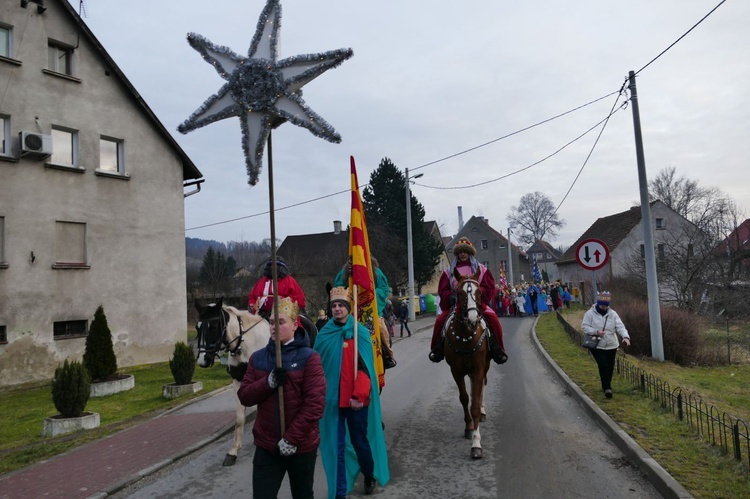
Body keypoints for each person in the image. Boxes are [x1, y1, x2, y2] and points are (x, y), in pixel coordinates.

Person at [237, 297, 326, 498]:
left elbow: (315, 404)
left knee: (303, 495)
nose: (274, 327)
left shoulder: (310, 358)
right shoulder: (258, 358)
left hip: (301, 446)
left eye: (281, 322)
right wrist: (267, 383)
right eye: (271, 322)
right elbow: (244, 396)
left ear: (295, 325)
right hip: (267, 447)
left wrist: (291, 439)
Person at [314, 287, 390, 498]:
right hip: (332, 401)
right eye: (334, 306)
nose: (337, 309)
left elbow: (366, 369)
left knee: (360, 442)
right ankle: (339, 491)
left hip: (356, 401)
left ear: (348, 308)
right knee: (335, 446)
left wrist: (358, 396)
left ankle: (368, 474)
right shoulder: (324, 334)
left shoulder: (360, 332)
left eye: (341, 306)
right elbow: (318, 367)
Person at [429, 237, 508, 364]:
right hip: (456, 305)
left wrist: (477, 293)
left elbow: (489, 286)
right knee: (439, 321)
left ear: (470, 253)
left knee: (493, 319)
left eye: (465, 251)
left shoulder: (481, 269)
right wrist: (450, 296)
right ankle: (437, 349)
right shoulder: (449, 272)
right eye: (460, 252)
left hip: (477, 304)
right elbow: (443, 290)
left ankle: (498, 349)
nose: (462, 254)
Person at [334, 256, 396, 369]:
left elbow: (383, 289)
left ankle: (387, 354)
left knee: (381, 328)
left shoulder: (376, 272)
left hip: (370, 311)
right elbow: (338, 290)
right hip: (349, 311)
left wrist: (369, 296)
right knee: (334, 330)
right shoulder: (344, 273)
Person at [581, 291, 631, 399]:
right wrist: (596, 331)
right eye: (602, 305)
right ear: (598, 304)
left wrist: (625, 337)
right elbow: (584, 326)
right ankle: (607, 388)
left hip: (611, 345)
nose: (604, 308)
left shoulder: (613, 314)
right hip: (597, 345)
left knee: (610, 366)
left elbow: (620, 327)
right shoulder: (590, 314)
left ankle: (606, 385)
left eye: (606, 306)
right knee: (603, 365)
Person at [248, 257, 306, 324]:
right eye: (270, 266)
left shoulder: (289, 280)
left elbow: (299, 297)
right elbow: (252, 297)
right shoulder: (261, 282)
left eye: (275, 266)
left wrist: (287, 301)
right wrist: (252, 304)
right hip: (261, 314)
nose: (272, 268)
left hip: (284, 315)